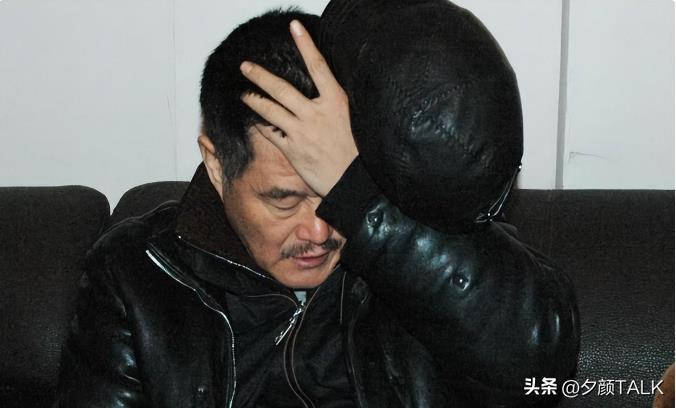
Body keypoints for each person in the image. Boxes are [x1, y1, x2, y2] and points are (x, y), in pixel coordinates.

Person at [55, 7, 579, 408]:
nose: (319, 231)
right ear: (217, 166)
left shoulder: (420, 246)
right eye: (283, 199)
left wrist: (362, 202)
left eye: (333, 191)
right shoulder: (137, 274)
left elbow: (542, 368)